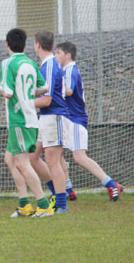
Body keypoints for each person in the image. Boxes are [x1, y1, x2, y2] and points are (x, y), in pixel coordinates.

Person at [0, 28, 54, 217]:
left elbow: (7, 92)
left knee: (23, 163)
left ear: (7, 44)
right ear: (25, 44)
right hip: (30, 118)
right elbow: (44, 87)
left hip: (19, 120)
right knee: (10, 159)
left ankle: (43, 204)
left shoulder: (8, 63)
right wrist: (26, 95)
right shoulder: (30, 62)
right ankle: (24, 204)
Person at [55, 41, 123, 201]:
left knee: (79, 157)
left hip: (75, 120)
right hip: (66, 119)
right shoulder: (64, 69)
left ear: (68, 55)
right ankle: (68, 190)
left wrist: (51, 89)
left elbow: (69, 91)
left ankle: (112, 184)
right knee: (56, 154)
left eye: (58, 53)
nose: (56, 56)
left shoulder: (70, 68)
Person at [30, 30, 69, 213]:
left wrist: (24, 104)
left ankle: (61, 205)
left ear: (38, 45)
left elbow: (47, 99)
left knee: (53, 160)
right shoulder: (45, 65)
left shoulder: (51, 65)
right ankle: (56, 194)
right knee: (32, 157)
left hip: (54, 116)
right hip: (45, 118)